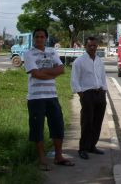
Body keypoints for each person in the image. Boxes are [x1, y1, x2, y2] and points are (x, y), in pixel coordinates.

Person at [23, 28, 74, 171]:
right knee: (37, 128)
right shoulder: (29, 54)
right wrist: (52, 73)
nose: (39, 39)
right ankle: (42, 159)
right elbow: (35, 74)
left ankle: (59, 156)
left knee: (58, 126)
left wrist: (43, 72)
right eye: (37, 37)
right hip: (36, 98)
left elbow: (62, 70)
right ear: (34, 39)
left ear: (46, 38)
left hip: (52, 96)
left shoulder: (52, 52)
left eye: (42, 36)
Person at [71, 36, 107, 160]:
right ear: (85, 46)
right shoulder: (79, 61)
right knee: (87, 122)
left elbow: (103, 77)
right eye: (90, 45)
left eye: (94, 46)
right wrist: (81, 95)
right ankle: (83, 149)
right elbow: (74, 80)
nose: (92, 48)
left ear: (97, 46)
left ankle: (92, 146)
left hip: (100, 94)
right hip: (87, 94)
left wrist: (104, 91)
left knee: (98, 122)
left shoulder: (99, 60)